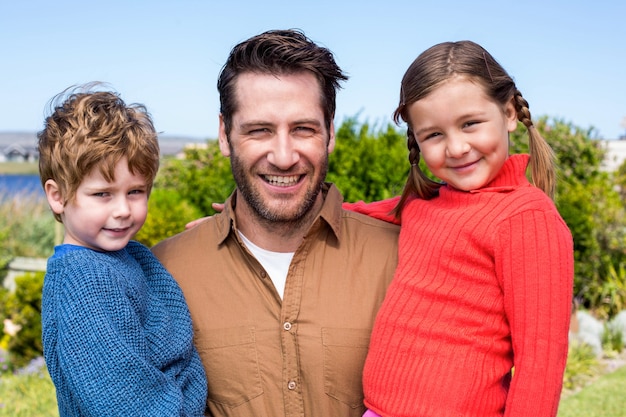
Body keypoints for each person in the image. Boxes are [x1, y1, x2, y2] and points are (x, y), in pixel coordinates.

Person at [151, 29, 399, 417]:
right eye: (259, 130)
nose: (283, 157)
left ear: (330, 133)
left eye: (303, 129)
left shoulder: (402, 259)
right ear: (224, 134)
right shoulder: (164, 273)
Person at [345, 41, 574, 417]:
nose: (456, 147)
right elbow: (358, 211)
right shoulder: (425, 205)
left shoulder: (528, 219)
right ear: (416, 140)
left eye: (470, 124)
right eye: (433, 134)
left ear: (510, 112)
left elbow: (540, 365)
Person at [38, 85, 207, 416]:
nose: (123, 210)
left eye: (135, 191)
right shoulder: (83, 281)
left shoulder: (128, 256)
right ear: (57, 196)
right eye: (102, 194)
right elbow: (128, 402)